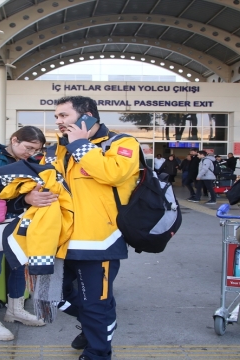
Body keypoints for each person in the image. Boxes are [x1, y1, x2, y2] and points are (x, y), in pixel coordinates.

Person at [49, 96, 139, 360]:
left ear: (86, 115)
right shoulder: (60, 149)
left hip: (99, 243)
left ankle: (97, 351)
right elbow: (45, 182)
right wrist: (31, 195)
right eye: (57, 117)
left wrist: (80, 144)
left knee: (95, 303)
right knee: (55, 296)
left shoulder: (122, 143)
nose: (58, 121)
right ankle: (96, 324)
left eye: (64, 116)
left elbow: (113, 174)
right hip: (60, 240)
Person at [0, 126, 52, 341]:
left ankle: (15, 310)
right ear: (14, 140)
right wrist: (15, 190)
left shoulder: (30, 162)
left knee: (19, 267)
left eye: (36, 150)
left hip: (18, 221)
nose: (31, 153)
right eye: (28, 147)